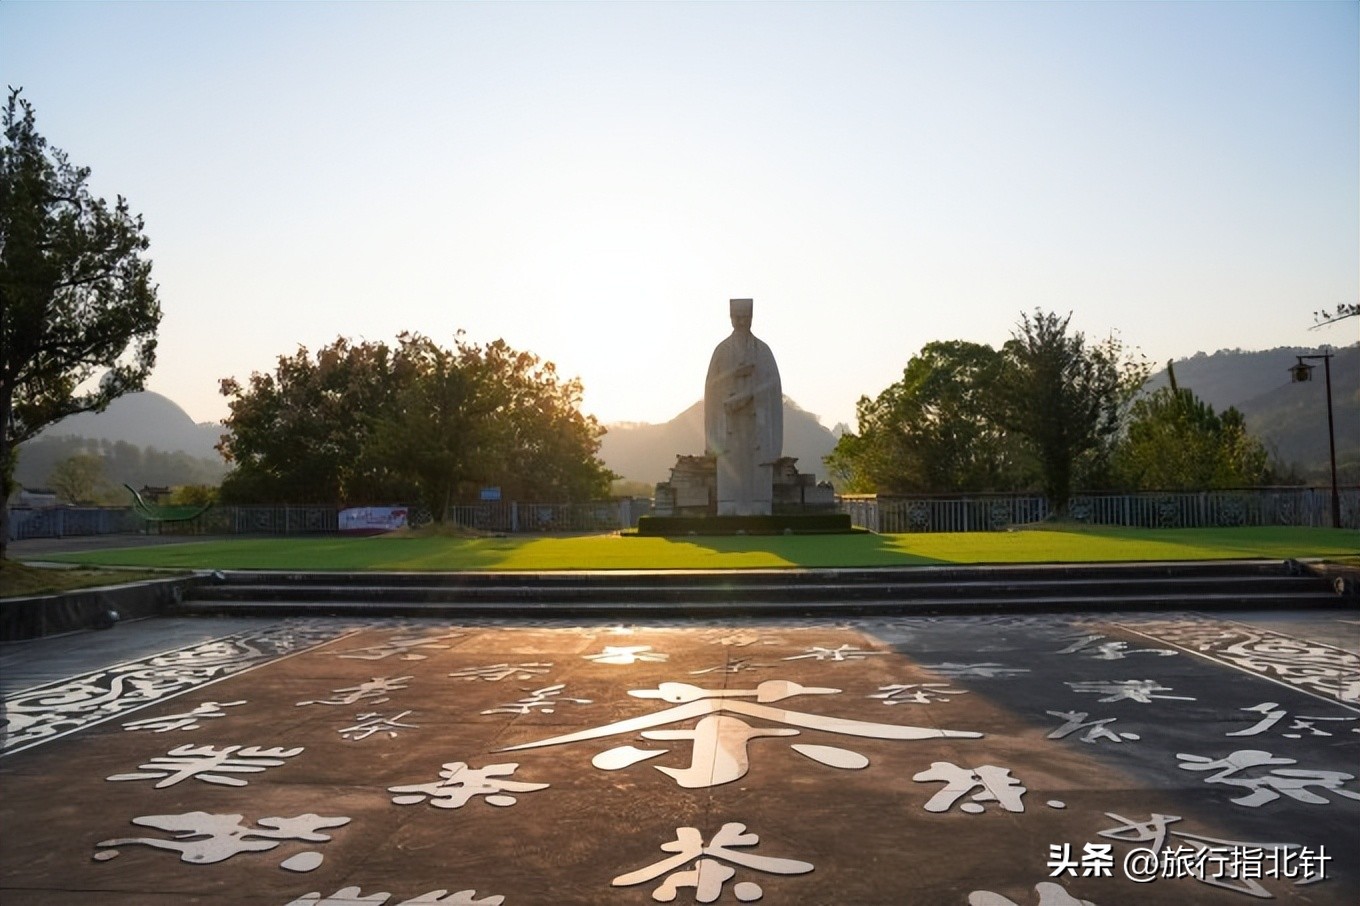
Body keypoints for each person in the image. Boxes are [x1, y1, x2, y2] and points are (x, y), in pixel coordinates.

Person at [704, 298, 782, 516]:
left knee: (755, 467)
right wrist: (733, 378)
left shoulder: (763, 350)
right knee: (732, 465)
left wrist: (752, 395)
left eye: (744, 317)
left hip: (755, 421)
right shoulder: (722, 351)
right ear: (730, 318)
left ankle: (759, 505)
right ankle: (729, 504)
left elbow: (773, 385)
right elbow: (711, 386)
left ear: (751, 318)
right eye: (736, 317)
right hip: (729, 423)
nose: (740, 321)